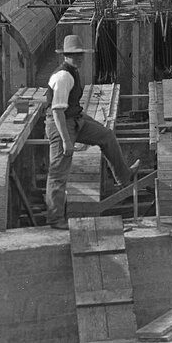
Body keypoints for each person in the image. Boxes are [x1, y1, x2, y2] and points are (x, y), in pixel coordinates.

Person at [44, 35, 140, 229]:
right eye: (73, 55)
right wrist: (66, 141)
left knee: (106, 136)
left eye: (80, 55)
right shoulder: (63, 76)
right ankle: (55, 218)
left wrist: (83, 120)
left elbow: (70, 106)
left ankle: (123, 177)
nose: (78, 58)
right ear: (65, 56)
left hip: (75, 118)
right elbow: (57, 111)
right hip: (60, 124)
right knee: (58, 172)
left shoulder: (73, 71)